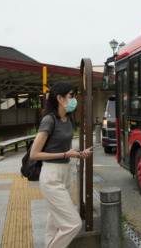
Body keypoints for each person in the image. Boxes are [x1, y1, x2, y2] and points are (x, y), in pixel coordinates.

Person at [30, 81, 93, 248]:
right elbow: (34, 154)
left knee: (55, 219)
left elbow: (63, 147)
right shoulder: (49, 120)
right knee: (73, 224)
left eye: (75, 95)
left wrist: (78, 152)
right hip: (51, 174)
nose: (75, 99)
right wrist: (67, 154)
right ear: (59, 98)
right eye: (71, 95)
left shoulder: (69, 119)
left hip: (66, 172)